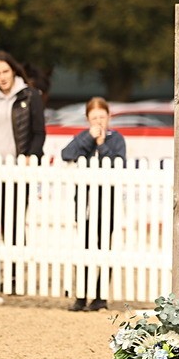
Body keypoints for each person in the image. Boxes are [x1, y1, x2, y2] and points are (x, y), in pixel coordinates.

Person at [0, 51, 45, 292]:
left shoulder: (30, 95)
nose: (2, 77)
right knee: (4, 221)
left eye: (5, 71)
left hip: (18, 169)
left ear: (13, 71)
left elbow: (39, 132)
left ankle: (15, 275)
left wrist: (31, 156)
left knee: (16, 219)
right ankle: (9, 272)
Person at [60, 97, 127, 311]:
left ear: (109, 117)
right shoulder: (83, 137)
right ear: (88, 119)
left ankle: (100, 297)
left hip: (108, 204)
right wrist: (89, 139)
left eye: (102, 116)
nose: (99, 121)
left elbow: (118, 164)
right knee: (84, 250)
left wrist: (101, 144)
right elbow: (66, 154)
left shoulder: (117, 139)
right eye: (94, 117)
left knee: (104, 249)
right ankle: (81, 295)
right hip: (86, 204)